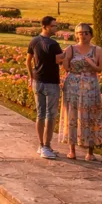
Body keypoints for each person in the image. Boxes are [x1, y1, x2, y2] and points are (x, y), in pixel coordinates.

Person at [58, 23, 102, 161]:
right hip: (73, 85)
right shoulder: (71, 49)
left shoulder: (97, 50)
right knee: (72, 115)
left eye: (86, 33)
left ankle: (90, 151)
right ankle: (72, 150)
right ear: (76, 34)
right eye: (80, 33)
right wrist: (64, 60)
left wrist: (90, 63)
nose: (83, 35)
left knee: (91, 115)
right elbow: (66, 67)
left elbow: (100, 68)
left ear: (91, 35)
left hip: (90, 86)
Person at [26, 15, 63, 160]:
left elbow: (28, 61)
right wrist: (68, 53)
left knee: (40, 114)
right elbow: (60, 61)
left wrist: (31, 77)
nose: (55, 28)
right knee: (50, 115)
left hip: (37, 81)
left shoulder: (34, 41)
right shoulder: (53, 44)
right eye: (53, 26)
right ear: (45, 26)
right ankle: (46, 147)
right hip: (51, 83)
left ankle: (41, 145)